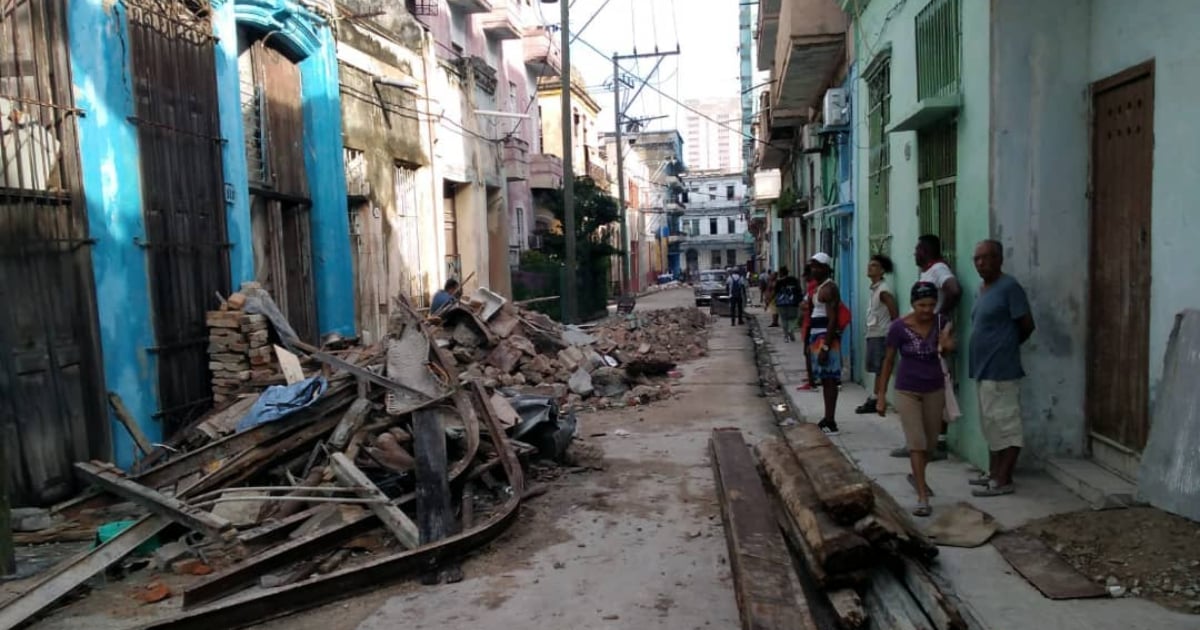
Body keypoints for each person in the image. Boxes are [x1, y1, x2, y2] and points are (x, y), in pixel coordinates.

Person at [875, 282, 956, 517]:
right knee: (916, 442)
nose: (926, 310)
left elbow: (947, 348)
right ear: (913, 304)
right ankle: (922, 497)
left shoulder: (941, 322)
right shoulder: (898, 328)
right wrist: (880, 395)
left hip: (934, 389)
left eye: (931, 305)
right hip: (907, 390)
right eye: (921, 305)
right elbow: (888, 361)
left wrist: (949, 346)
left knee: (930, 445)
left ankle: (915, 475)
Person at [968, 240, 1035, 497]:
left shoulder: (1010, 287)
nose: (981, 263)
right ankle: (994, 474)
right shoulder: (982, 289)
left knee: (1008, 427)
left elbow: (1027, 325)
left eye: (987, 258)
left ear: (999, 259)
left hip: (1002, 370)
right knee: (991, 425)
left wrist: (1006, 346)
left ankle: (1004, 479)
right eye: (977, 259)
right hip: (984, 370)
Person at [891, 235, 962, 459]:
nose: (914, 253)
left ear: (925, 250)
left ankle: (933, 444)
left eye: (917, 249)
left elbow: (954, 290)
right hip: (922, 335)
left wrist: (938, 318)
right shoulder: (930, 271)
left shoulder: (939, 269)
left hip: (933, 338)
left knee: (933, 389)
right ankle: (919, 443)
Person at [807, 253, 844, 435]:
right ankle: (827, 417)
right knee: (825, 379)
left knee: (829, 380)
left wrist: (826, 346)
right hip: (817, 336)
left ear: (825, 268)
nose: (813, 269)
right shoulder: (819, 288)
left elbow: (833, 319)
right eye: (812, 265)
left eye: (817, 266)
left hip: (825, 337)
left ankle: (831, 420)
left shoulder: (829, 289)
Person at [857, 254, 899, 414]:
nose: (869, 267)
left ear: (882, 271)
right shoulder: (875, 289)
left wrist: (894, 332)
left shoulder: (883, 291)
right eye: (870, 264)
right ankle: (875, 398)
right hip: (874, 333)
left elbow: (894, 313)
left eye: (874, 265)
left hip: (882, 334)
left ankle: (877, 398)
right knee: (877, 368)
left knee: (881, 368)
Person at [798, 264, 820, 391]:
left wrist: (804, 305)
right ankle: (812, 377)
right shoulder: (815, 286)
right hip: (810, 323)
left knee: (808, 352)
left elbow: (808, 305)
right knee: (809, 352)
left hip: (812, 323)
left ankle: (812, 381)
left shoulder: (814, 286)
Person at [773, 267, 801, 341]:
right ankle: (790, 330)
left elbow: (775, 292)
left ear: (781, 273)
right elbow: (798, 290)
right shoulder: (794, 280)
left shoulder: (778, 282)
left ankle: (786, 336)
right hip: (793, 303)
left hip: (781, 303)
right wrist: (799, 300)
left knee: (784, 319)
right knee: (793, 318)